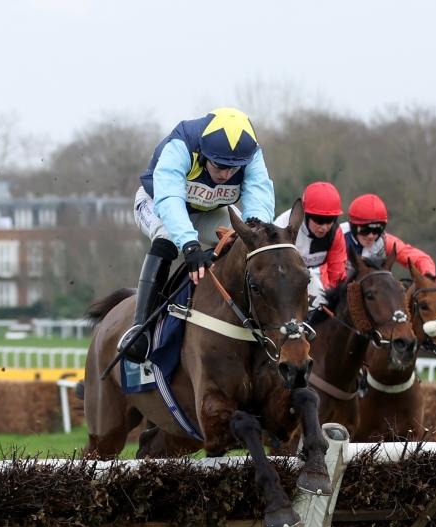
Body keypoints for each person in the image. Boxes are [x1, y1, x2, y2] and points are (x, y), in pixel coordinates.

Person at [121, 107, 275, 362]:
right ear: (203, 152)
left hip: (209, 211)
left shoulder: (251, 153)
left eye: (234, 168)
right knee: (168, 240)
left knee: (248, 243)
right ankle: (140, 329)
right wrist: (189, 245)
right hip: (158, 203)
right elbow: (170, 199)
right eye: (220, 165)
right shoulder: (182, 143)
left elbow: (259, 196)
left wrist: (254, 230)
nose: (226, 175)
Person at [275, 181, 346, 310]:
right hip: (279, 276)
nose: (324, 227)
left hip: (306, 274)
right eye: (319, 220)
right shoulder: (282, 227)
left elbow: (337, 277)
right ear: (305, 214)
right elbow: (273, 273)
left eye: (331, 220)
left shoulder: (335, 233)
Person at [341, 194, 436, 277]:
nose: (371, 236)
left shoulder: (384, 241)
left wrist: (428, 276)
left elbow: (421, 259)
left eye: (377, 230)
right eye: (365, 230)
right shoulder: (338, 236)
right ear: (352, 225)